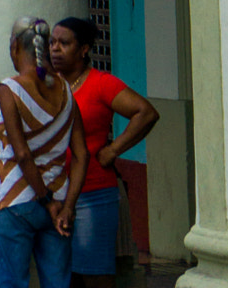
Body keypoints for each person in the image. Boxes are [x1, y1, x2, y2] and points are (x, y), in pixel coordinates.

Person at [50, 17, 158, 288]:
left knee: (96, 276)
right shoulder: (49, 85)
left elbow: (145, 113)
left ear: (84, 49)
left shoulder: (100, 83)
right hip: (53, 196)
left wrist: (113, 150)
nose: (55, 49)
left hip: (93, 194)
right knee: (63, 277)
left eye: (64, 43)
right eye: (52, 42)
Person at [0, 17, 88, 288]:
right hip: (59, 200)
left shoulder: (9, 89)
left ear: (14, 48)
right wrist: (66, 207)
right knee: (58, 283)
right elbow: (82, 154)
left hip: (17, 200)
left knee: (11, 282)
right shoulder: (67, 90)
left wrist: (46, 200)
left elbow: (21, 153)